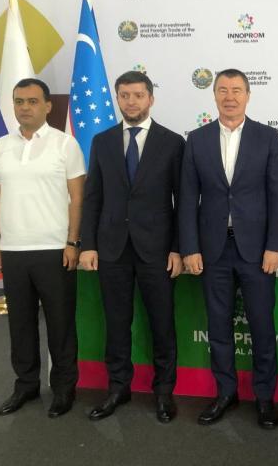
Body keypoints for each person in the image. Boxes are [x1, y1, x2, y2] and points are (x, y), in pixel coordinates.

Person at [179, 69, 278, 429]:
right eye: (223, 90)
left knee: (262, 325)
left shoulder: (267, 137)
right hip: (212, 250)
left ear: (248, 95)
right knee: (218, 327)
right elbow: (187, 199)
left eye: (237, 90)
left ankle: (265, 397)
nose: (230, 97)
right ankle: (225, 393)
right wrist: (189, 247)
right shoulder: (196, 139)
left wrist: (275, 245)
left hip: (257, 252)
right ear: (214, 95)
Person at [79, 71, 185, 424]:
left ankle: (164, 392)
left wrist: (177, 248)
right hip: (112, 249)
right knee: (116, 323)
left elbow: (183, 201)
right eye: (124, 95)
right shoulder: (102, 141)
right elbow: (93, 197)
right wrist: (88, 244)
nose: (131, 101)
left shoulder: (172, 142)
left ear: (150, 98)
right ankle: (118, 388)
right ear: (117, 99)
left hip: (158, 250)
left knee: (162, 324)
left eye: (138, 95)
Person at [0, 78, 85, 418]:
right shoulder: (1, 146)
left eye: (32, 101)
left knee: (60, 325)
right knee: (20, 325)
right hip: (13, 251)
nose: (24, 107)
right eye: (19, 101)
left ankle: (64, 388)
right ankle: (26, 385)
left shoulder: (65, 144)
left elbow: (77, 198)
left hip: (55, 249)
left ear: (47, 106)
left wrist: (72, 241)